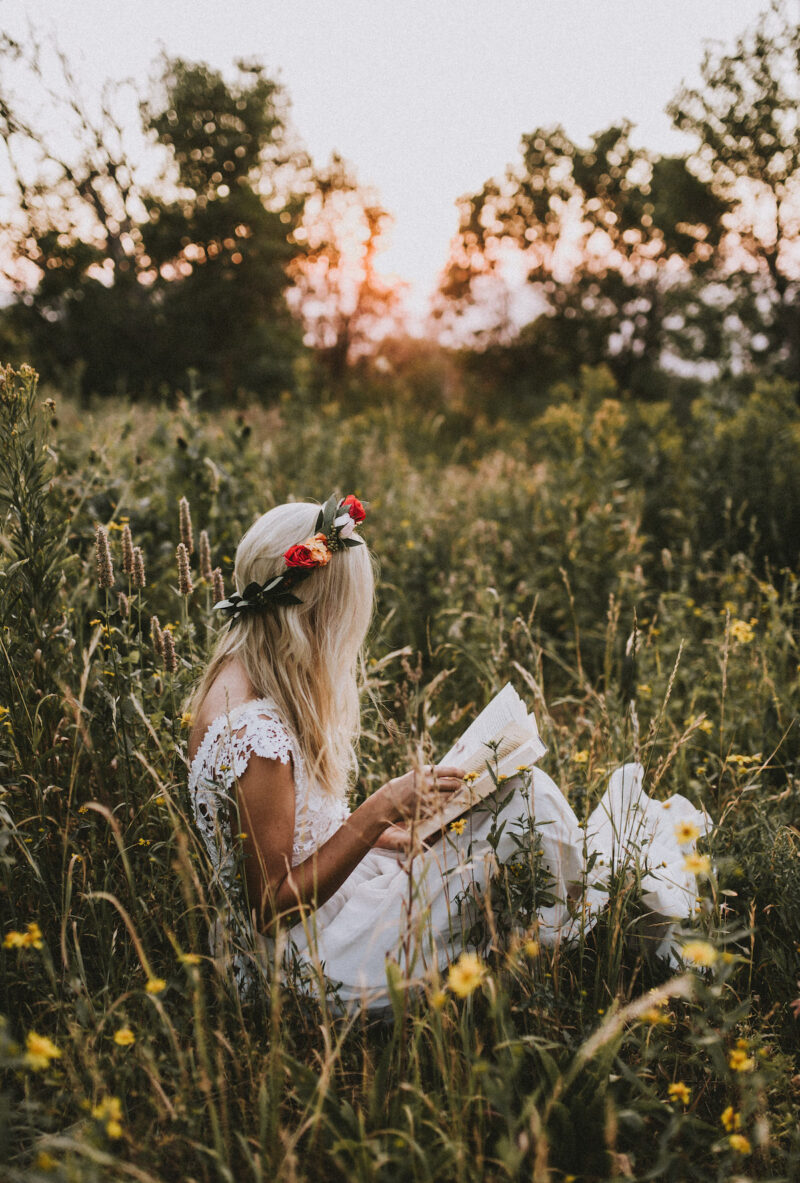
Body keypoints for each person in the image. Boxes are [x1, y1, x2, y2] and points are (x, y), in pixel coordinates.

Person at [186, 494, 712, 1010]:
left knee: (503, 805)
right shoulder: (256, 735)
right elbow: (270, 908)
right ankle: (603, 932)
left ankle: (598, 916)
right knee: (525, 805)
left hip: (330, 909)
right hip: (312, 957)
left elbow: (297, 833)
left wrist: (390, 835)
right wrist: (378, 812)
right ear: (309, 613)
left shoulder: (236, 685)